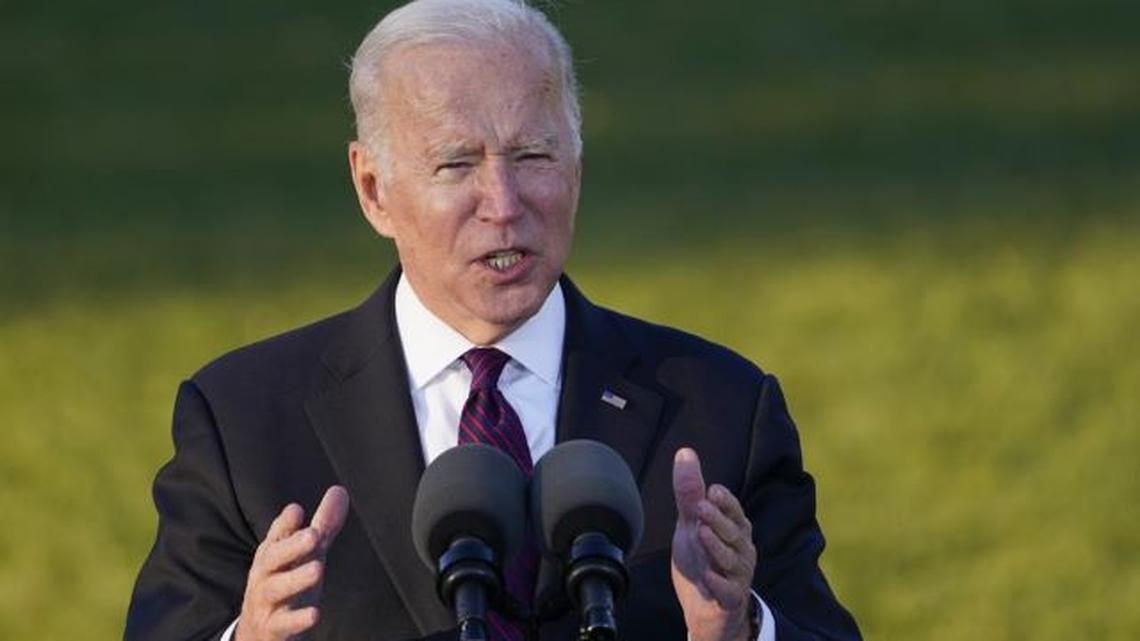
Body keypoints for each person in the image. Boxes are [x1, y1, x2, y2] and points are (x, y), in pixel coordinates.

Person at [125, 1, 861, 640]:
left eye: (534, 154)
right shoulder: (244, 421)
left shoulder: (725, 410)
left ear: (577, 164)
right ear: (374, 188)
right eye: (456, 165)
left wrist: (739, 627)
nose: (505, 203)